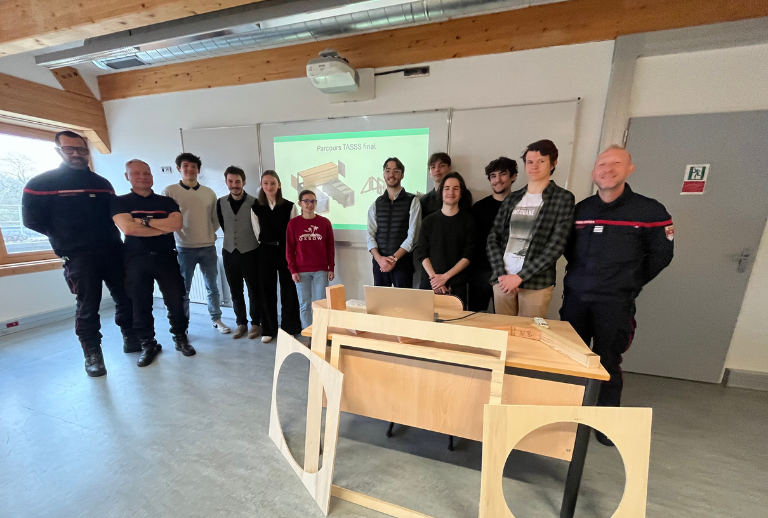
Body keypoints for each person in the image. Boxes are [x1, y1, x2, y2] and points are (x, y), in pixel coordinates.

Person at [561, 145, 673, 446]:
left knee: (608, 361)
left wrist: (629, 283)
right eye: (601, 165)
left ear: (629, 168)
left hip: (614, 302)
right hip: (576, 300)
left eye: (615, 163)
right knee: (572, 360)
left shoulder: (650, 211)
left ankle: (606, 422)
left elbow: (661, 256)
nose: (607, 170)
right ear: (594, 172)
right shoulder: (581, 210)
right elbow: (568, 250)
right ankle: (570, 419)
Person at [21, 130, 137, 377]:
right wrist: (66, 237)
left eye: (81, 150)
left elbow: (115, 215)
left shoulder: (102, 184)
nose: (76, 154)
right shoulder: (40, 184)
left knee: (126, 297)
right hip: (78, 256)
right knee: (88, 306)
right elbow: (31, 221)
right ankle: (93, 354)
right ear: (59, 151)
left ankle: (130, 336)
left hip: (113, 250)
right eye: (69, 149)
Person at [111, 160, 195, 367]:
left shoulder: (166, 202)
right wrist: (160, 227)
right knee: (140, 304)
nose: (143, 177)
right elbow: (128, 229)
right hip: (136, 259)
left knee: (176, 300)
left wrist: (143, 221)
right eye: (137, 173)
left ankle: (180, 338)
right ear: (127, 176)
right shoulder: (120, 202)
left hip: (166, 257)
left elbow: (176, 224)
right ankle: (148, 344)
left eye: (147, 173)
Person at [487, 139, 575, 318]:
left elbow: (556, 246)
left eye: (541, 161)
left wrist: (520, 277)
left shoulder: (562, 198)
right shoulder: (512, 199)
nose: (534, 166)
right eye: (529, 162)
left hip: (536, 282)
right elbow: (493, 237)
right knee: (503, 333)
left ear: (553, 163)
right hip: (503, 280)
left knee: (529, 337)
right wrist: (501, 273)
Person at [162, 153, 230, 334]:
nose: (190, 169)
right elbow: (167, 220)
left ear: (198, 170)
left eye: (193, 166)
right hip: (184, 248)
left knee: (213, 287)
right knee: (183, 290)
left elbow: (215, 219)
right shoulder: (170, 192)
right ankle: (182, 326)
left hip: (208, 247)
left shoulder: (208, 193)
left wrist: (208, 233)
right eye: (185, 166)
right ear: (179, 169)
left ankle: (216, 319)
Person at [250, 170, 302, 342]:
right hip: (265, 252)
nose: (269, 186)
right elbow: (258, 233)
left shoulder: (289, 206)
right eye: (266, 183)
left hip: (286, 252)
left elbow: (294, 232)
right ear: (261, 186)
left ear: (279, 185)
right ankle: (268, 329)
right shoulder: (256, 207)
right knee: (266, 291)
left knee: (289, 290)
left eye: (273, 183)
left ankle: (290, 327)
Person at [414, 173, 475, 306]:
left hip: (456, 286)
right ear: (441, 192)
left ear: (461, 192)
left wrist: (445, 278)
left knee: (455, 326)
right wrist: (435, 280)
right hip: (429, 284)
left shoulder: (469, 221)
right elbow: (422, 252)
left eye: (455, 188)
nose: (451, 192)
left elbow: (468, 256)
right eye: (447, 188)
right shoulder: (428, 221)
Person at [216, 166, 262, 340]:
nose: (234, 185)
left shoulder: (255, 202)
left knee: (253, 290)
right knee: (235, 291)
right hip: (229, 253)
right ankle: (241, 323)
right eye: (230, 181)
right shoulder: (220, 202)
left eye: (237, 181)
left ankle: (255, 323)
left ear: (244, 182)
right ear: (226, 182)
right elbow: (223, 224)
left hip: (250, 252)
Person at [468, 157, 518, 311]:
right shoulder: (479, 208)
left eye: (503, 174)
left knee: (505, 320)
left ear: (514, 176)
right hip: (481, 272)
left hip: (509, 273)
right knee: (475, 317)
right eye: (493, 176)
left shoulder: (521, 206)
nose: (498, 180)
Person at [366, 157, 422, 288]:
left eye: (396, 171)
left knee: (402, 305)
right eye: (388, 171)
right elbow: (370, 234)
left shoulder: (413, 201)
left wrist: (394, 259)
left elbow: (413, 236)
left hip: (402, 263)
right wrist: (380, 259)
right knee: (380, 304)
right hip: (379, 263)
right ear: (384, 174)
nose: (391, 174)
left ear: (402, 175)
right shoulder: (376, 204)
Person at [286, 190, 336, 330]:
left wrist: (331, 267)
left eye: (313, 201)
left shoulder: (325, 223)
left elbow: (330, 247)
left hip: (321, 270)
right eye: (306, 201)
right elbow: (289, 249)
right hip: (301, 271)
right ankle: (308, 334)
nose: (310, 204)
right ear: (300, 203)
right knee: (305, 305)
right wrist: (292, 269)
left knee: (321, 304)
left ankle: (320, 332)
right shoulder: (293, 224)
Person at [418, 152, 473, 220]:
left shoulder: (463, 194)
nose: (437, 170)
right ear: (429, 172)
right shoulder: (424, 201)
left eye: (442, 165)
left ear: (449, 168)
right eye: (433, 167)